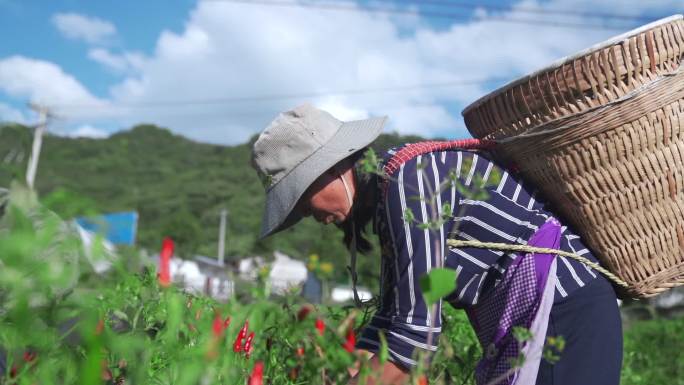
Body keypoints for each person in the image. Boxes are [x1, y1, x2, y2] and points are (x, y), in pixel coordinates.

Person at [251, 104, 622, 385]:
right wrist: (347, 366)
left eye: (300, 198)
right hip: (533, 317)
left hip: (563, 311)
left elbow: (416, 338)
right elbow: (395, 313)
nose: (305, 213)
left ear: (330, 168)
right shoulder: (389, 194)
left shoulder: (409, 186)